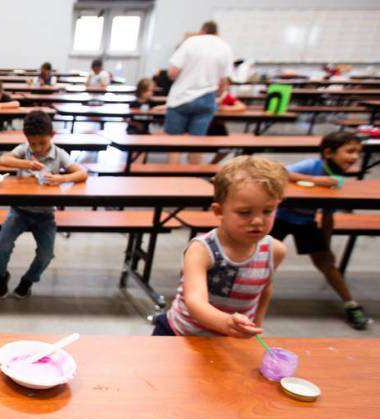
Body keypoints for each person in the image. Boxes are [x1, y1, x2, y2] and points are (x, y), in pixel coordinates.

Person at [154, 156, 287, 337]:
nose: (257, 221)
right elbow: (194, 301)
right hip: (182, 335)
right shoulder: (202, 250)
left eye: (268, 211)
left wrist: (256, 325)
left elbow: (264, 288)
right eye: (244, 213)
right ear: (218, 211)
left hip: (229, 338)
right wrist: (226, 323)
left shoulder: (274, 251)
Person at [274, 131, 371, 330]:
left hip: (306, 222)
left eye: (358, 153)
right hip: (279, 218)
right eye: (350, 151)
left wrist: (326, 245)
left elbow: (328, 216)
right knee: (259, 258)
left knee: (326, 262)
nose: (354, 157)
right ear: (328, 152)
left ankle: (351, 304)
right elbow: (279, 171)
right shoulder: (313, 166)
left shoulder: (338, 179)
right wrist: (316, 181)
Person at [0, 110, 88, 299]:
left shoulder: (59, 154)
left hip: (45, 215)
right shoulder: (24, 150)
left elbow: (82, 173)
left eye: (42, 143)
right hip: (19, 211)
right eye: (32, 143)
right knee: (3, 243)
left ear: (52, 136)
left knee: (46, 254)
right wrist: (26, 164)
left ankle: (28, 280)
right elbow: (3, 160)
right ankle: (1, 275)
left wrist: (62, 178)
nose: (37, 148)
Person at [163, 21, 233, 164]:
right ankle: (193, 177)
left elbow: (172, 72)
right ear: (217, 33)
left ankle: (171, 175)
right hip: (207, 98)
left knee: (174, 141)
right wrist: (217, 95)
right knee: (197, 142)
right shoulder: (225, 47)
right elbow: (223, 82)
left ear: (202, 30)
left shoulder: (191, 42)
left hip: (181, 98)